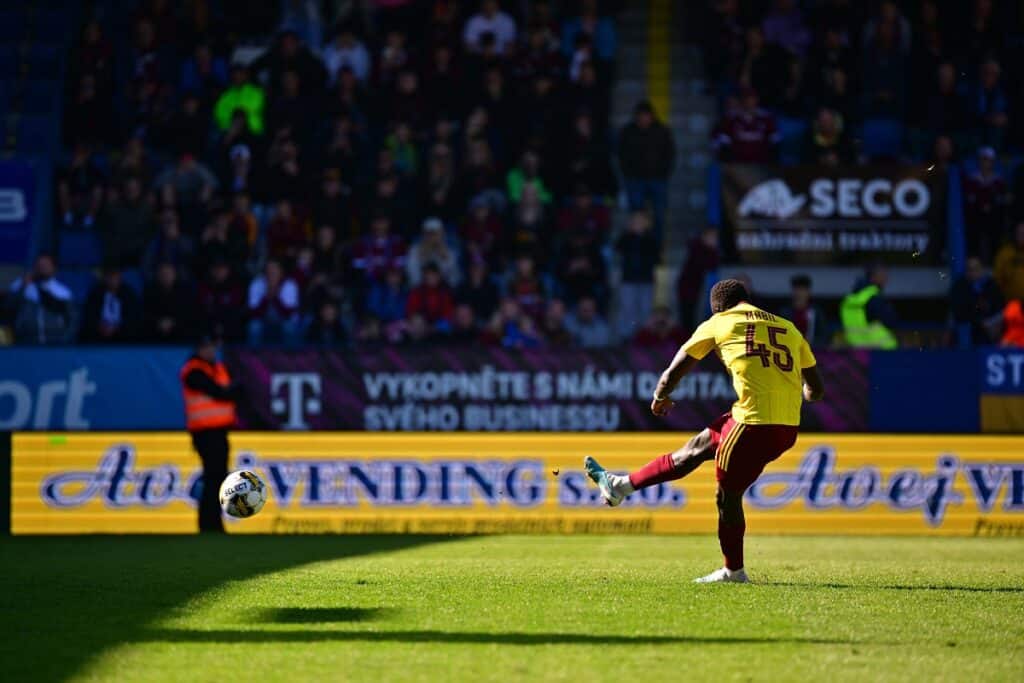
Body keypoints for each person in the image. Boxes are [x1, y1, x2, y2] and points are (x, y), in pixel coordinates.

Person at [584, 279, 824, 583]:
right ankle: (619, 486)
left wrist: (660, 397)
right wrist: (798, 391)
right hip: (786, 427)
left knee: (727, 497)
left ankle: (733, 571)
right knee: (697, 447)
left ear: (718, 307)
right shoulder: (788, 327)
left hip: (752, 423)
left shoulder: (720, 322)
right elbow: (816, 390)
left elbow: (676, 369)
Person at [180, 336, 241, 533]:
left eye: (212, 348)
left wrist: (228, 391)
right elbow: (219, 392)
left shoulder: (216, 368)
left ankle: (213, 522)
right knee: (213, 477)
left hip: (219, 430)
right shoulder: (194, 370)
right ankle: (208, 523)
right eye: (207, 348)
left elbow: (228, 391)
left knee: (218, 476)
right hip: (205, 432)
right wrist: (228, 391)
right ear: (199, 349)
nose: (211, 352)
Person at [617, 101, 675, 240]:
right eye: (641, 115)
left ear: (651, 116)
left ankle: (655, 249)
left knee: (659, 215)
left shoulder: (662, 130)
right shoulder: (628, 131)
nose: (643, 118)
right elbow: (621, 153)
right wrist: (628, 173)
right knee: (636, 217)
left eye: (646, 115)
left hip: (658, 179)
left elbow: (670, 153)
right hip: (635, 179)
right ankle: (636, 249)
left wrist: (663, 173)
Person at [840, 263, 899, 349]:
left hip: (857, 351)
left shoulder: (850, 299)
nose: (887, 279)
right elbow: (891, 322)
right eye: (883, 275)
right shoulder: (874, 298)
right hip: (881, 351)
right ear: (873, 277)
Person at [780, 274, 829, 347]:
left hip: (812, 351)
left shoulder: (816, 312)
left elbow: (823, 336)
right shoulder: (785, 312)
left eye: (802, 290)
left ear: (808, 292)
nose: (799, 293)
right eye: (796, 289)